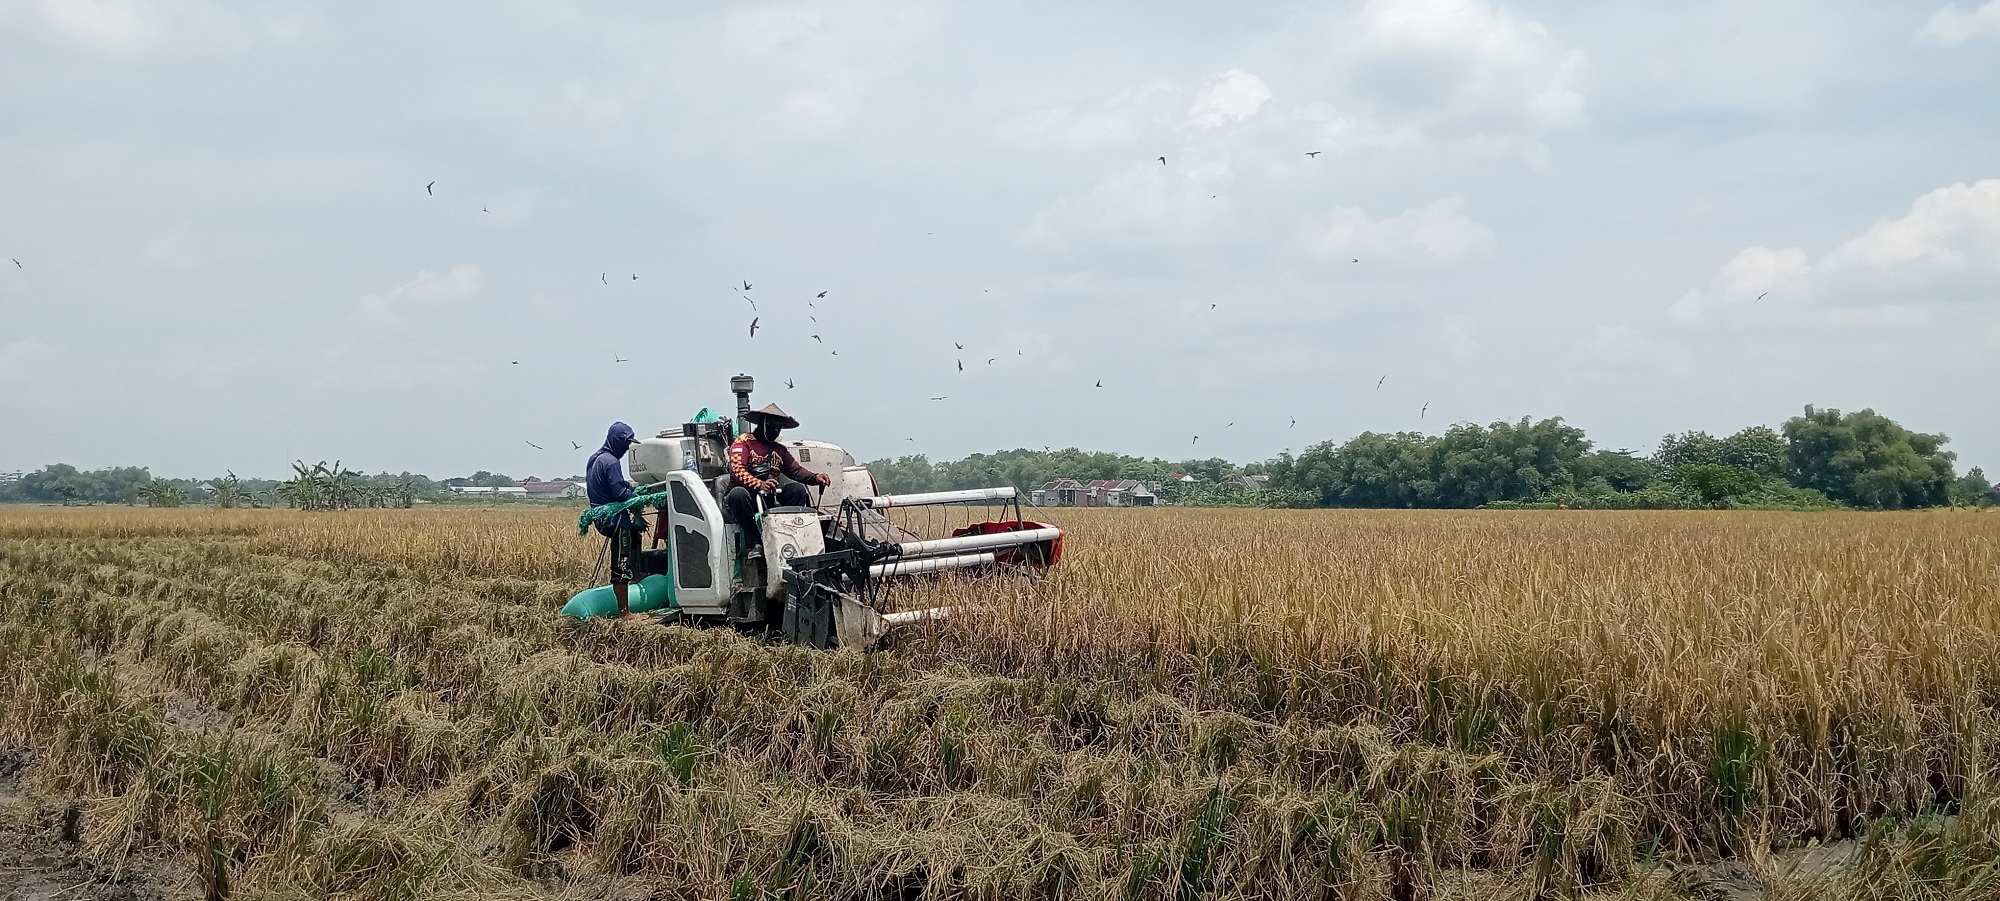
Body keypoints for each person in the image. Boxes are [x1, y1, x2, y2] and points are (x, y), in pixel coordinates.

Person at [725, 403, 830, 555]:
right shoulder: (743, 443)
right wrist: (760, 484)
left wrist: (815, 477)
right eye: (774, 426)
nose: (776, 431)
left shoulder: (779, 450)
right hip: (741, 502)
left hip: (767, 498)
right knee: (738, 494)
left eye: (779, 428)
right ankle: (755, 544)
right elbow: (738, 471)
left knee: (797, 490)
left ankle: (794, 537)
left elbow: (796, 470)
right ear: (763, 424)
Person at [585, 422, 644, 619]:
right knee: (621, 563)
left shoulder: (595, 459)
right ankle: (625, 613)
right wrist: (637, 499)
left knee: (635, 540)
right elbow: (619, 494)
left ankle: (638, 579)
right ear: (618, 442)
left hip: (601, 518)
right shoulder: (611, 462)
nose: (627, 449)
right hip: (617, 521)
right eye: (626, 444)